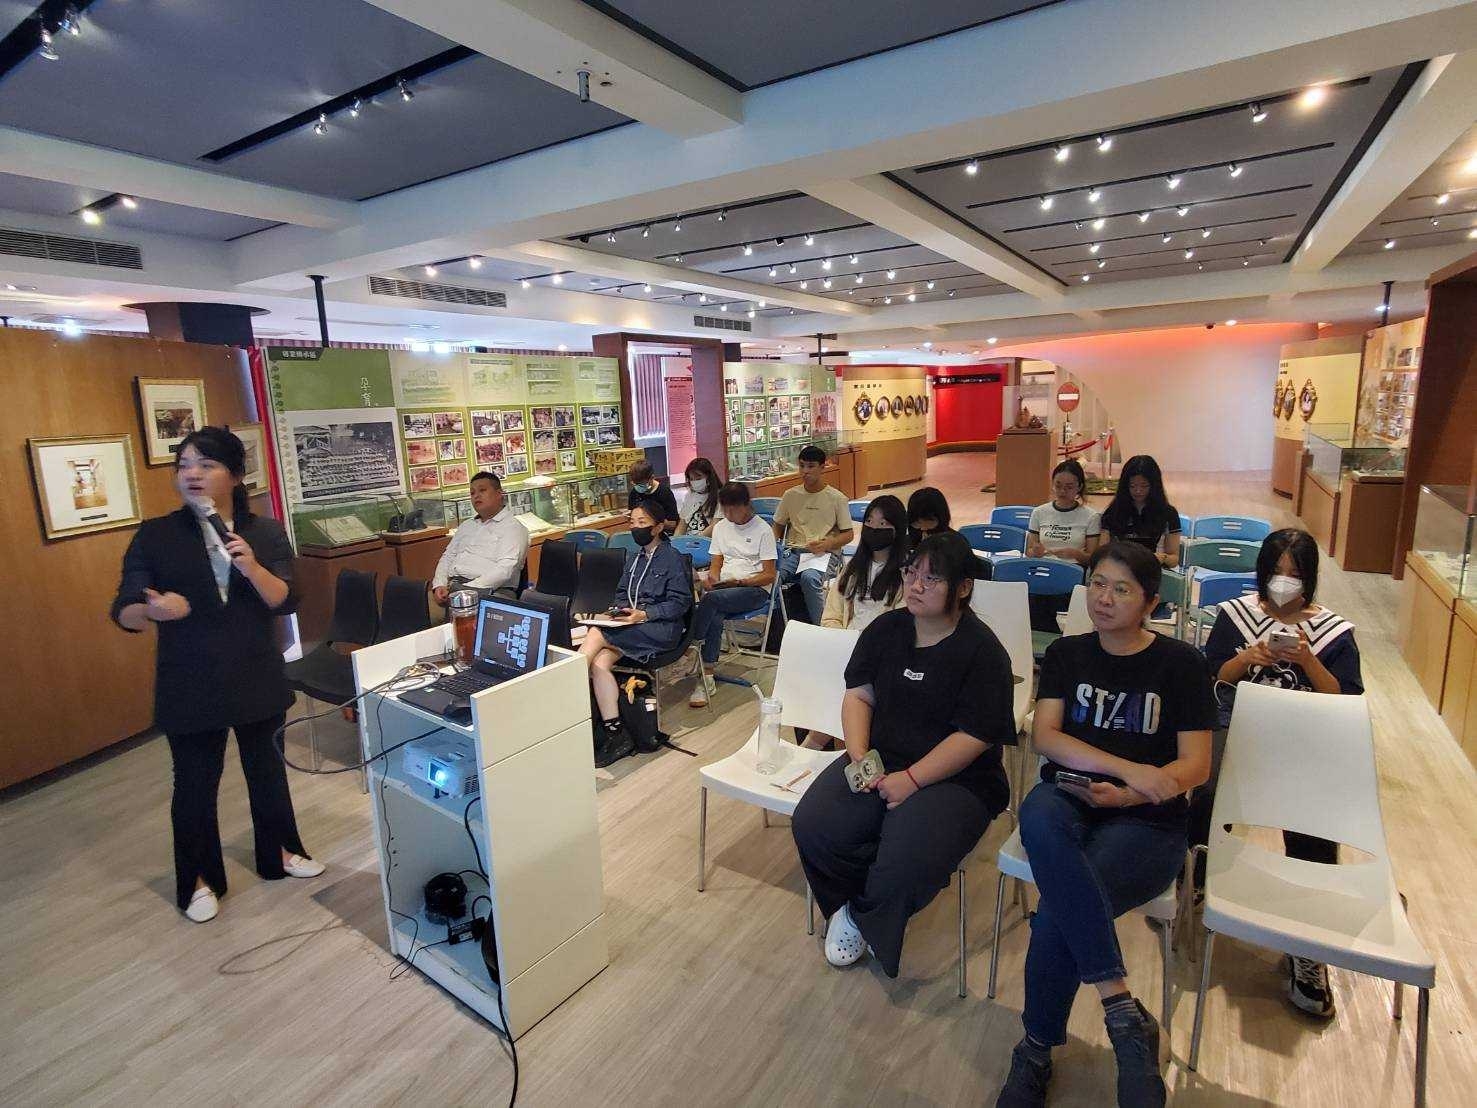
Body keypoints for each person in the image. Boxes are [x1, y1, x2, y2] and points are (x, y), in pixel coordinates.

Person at [996, 541, 1214, 1108]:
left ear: (1150, 602)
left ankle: (1035, 1051)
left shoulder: (1182, 664)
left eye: (1121, 589)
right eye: (1097, 584)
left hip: (1148, 819)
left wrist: (1128, 794)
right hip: (1070, 795)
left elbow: (1195, 766)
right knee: (1038, 812)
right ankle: (1123, 1011)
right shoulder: (1068, 653)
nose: (1104, 598)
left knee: (1055, 917)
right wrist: (1129, 769)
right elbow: (1047, 737)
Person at [110, 427, 323, 925]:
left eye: (206, 464)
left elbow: (287, 600)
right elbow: (124, 610)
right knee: (194, 783)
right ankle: (198, 880)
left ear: (235, 475)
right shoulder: (156, 535)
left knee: (267, 770)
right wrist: (154, 610)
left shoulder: (264, 532)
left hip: (256, 670)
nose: (192, 474)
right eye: (184, 465)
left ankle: (281, 852)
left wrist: (252, 568)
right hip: (190, 681)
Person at [791, 531, 1017, 980]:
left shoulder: (984, 652)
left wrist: (911, 779)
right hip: (881, 756)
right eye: (912, 573)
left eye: (932, 579)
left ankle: (863, 917)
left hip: (959, 779)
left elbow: (974, 736)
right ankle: (854, 902)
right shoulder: (886, 629)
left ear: (963, 587)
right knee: (814, 824)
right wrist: (860, 756)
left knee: (906, 857)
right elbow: (859, 694)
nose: (915, 585)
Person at [1194, 527, 1362, 1019]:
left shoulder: (1334, 633)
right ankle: (1196, 876)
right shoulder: (1237, 616)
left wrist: (1307, 659)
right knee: (1206, 785)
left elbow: (1345, 700)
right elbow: (1211, 677)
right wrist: (1246, 658)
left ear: (1309, 579)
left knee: (1312, 816)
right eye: (1276, 572)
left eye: (1294, 574)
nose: (1284, 583)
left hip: (1303, 738)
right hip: (1238, 726)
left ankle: (1307, 942)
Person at [578, 502, 692, 767]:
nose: (635, 527)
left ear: (659, 527)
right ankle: (616, 732)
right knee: (600, 663)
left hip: (660, 629)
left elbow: (680, 604)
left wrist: (644, 614)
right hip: (630, 627)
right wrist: (616, 613)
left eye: (642, 523)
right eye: (632, 522)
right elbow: (621, 594)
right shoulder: (634, 558)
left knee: (596, 633)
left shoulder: (672, 558)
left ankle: (566, 686)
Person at [799, 495, 911, 750]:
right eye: (869, 522)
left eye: (883, 524)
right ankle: (824, 748)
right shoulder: (852, 569)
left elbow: (902, 625)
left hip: (883, 654)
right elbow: (831, 615)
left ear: (897, 529)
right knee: (817, 676)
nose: (874, 529)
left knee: (846, 687)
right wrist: (841, 639)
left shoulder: (906, 574)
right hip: (846, 647)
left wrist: (865, 646)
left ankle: (817, 746)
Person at [688, 482, 778, 707]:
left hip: (754, 589)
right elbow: (716, 563)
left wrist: (741, 582)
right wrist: (712, 579)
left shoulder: (763, 530)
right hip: (724, 590)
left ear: (745, 506)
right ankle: (707, 675)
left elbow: (769, 575)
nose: (727, 515)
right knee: (714, 611)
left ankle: (692, 644)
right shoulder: (721, 527)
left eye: (732, 510)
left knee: (710, 601)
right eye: (724, 510)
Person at [773, 445, 854, 623]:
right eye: (802, 466)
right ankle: (779, 625)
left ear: (822, 467)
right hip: (794, 552)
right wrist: (773, 549)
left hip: (824, 554)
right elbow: (777, 526)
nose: (805, 471)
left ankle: (821, 626)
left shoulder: (836, 498)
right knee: (773, 577)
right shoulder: (790, 495)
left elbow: (848, 534)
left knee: (809, 578)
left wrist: (828, 544)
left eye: (810, 466)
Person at [431, 471, 530, 604]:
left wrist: (466, 590)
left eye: (482, 490)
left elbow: (505, 569)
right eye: (472, 493)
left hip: (491, 590)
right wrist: (439, 584)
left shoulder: (513, 528)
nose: (476, 496)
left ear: (499, 494)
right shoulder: (467, 525)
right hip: (455, 586)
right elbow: (448, 556)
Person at [1098, 455, 1181, 568]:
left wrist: (1162, 558)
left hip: (1152, 568)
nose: (1138, 491)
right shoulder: (1113, 512)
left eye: (1144, 486)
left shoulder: (1168, 513)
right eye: (1132, 486)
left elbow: (1174, 559)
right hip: (1122, 569)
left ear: (1154, 486)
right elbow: (1102, 552)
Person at [1027, 459, 1100, 566]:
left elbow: (1092, 559)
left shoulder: (1091, 516)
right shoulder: (1039, 512)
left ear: (1079, 487)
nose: (1062, 491)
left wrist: (1076, 554)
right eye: (1058, 486)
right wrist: (1035, 552)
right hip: (1043, 566)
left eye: (1069, 487)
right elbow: (1029, 552)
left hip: (1074, 568)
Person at [627, 459, 679, 534]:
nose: (638, 487)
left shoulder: (664, 492)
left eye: (642, 484)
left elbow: (672, 524)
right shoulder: (634, 493)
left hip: (662, 534)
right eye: (635, 484)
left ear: (652, 478)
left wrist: (653, 521)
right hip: (640, 534)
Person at [674, 457, 721, 537]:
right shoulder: (689, 495)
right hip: (689, 539)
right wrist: (676, 540)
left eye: (698, 478)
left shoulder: (720, 496)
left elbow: (714, 526)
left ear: (709, 477)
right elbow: (682, 524)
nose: (694, 482)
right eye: (691, 479)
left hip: (706, 540)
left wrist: (695, 541)